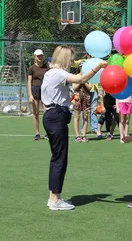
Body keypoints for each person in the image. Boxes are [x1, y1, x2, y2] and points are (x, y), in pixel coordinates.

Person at [41, 45, 107, 211]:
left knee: (56, 158)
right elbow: (81, 79)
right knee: (60, 159)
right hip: (56, 116)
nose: (72, 62)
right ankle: (55, 200)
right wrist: (98, 67)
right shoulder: (58, 73)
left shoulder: (49, 73)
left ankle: (53, 197)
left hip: (50, 115)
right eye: (70, 59)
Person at [27, 49, 49, 140]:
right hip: (35, 90)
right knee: (35, 113)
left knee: (47, 113)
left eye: (41, 56)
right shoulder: (32, 68)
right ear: (35, 57)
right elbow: (29, 82)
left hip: (45, 91)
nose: (40, 57)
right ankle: (37, 133)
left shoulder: (46, 67)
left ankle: (47, 133)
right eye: (38, 56)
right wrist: (30, 95)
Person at [72, 63, 91, 142]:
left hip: (86, 97)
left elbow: (90, 88)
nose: (82, 69)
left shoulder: (89, 76)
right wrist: (80, 81)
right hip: (77, 97)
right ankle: (77, 135)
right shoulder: (75, 76)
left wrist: (85, 81)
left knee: (86, 116)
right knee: (77, 116)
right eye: (81, 67)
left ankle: (84, 135)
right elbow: (74, 87)